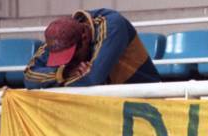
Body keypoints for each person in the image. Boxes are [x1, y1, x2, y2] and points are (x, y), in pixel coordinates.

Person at [24, 8, 161, 88]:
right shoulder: (58, 37)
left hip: (147, 97)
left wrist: (51, 81)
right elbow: (29, 77)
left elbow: (94, 78)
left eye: (72, 57)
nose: (66, 63)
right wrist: (63, 73)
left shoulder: (112, 24)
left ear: (84, 38)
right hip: (111, 108)